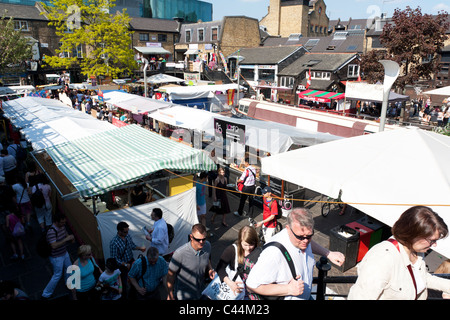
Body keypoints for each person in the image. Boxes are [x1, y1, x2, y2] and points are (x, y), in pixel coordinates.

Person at [348, 206, 450, 300]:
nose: (435, 245)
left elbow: (421, 277)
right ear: (413, 235)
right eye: (432, 240)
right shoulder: (383, 259)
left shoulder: (416, 251)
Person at [246, 208, 345, 300]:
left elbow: (308, 242)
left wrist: (328, 253)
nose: (305, 241)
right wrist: (288, 289)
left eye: (309, 236)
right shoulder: (273, 253)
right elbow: (252, 284)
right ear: (288, 229)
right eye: (300, 237)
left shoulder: (300, 237)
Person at [167, 224, 215, 300]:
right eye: (198, 239)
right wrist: (170, 293)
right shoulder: (180, 253)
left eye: (204, 239)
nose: (201, 242)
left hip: (201, 291)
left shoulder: (207, 246)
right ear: (191, 237)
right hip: (184, 296)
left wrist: (210, 269)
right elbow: (170, 275)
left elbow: (207, 258)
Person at [215, 225, 260, 300]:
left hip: (251, 293)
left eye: (251, 244)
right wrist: (230, 283)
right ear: (240, 241)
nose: (248, 248)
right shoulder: (232, 250)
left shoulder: (259, 251)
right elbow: (220, 268)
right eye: (245, 245)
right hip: (235, 291)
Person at [41, 213, 75, 299]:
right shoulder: (51, 231)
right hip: (56, 257)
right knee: (57, 275)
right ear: (56, 222)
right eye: (62, 222)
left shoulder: (62, 227)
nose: (64, 224)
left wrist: (70, 238)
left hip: (64, 252)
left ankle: (68, 283)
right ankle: (46, 293)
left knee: (69, 268)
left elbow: (66, 235)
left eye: (64, 222)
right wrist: (66, 239)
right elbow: (54, 245)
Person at [110, 221, 146, 299]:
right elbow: (114, 259)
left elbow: (132, 245)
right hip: (122, 266)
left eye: (127, 231)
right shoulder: (114, 242)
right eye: (125, 232)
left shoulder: (127, 236)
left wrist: (140, 248)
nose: (127, 233)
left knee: (135, 279)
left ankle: (133, 295)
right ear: (119, 231)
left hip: (131, 261)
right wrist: (125, 265)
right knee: (125, 284)